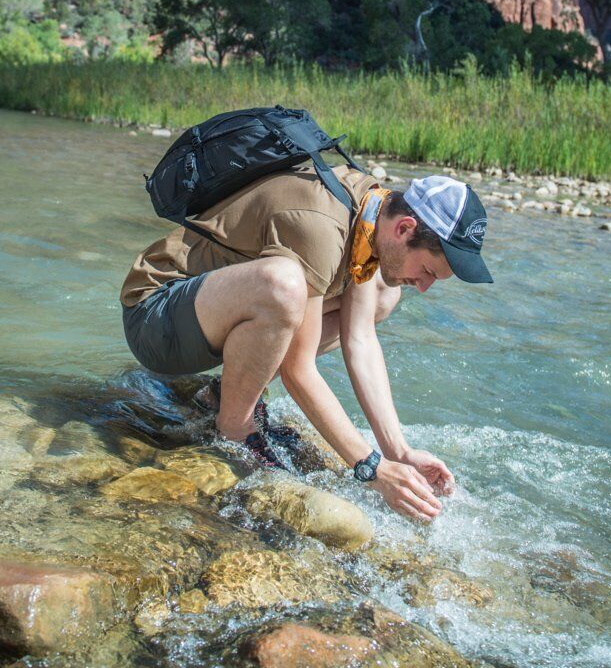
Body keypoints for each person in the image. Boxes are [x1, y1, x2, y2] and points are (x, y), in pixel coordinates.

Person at [120, 164, 493, 522]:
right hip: (156, 317)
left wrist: (399, 452)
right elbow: (298, 371)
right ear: (405, 228)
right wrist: (371, 467)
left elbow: (359, 338)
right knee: (283, 285)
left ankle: (224, 396)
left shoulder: (372, 213)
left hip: (210, 315)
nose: (425, 286)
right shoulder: (322, 226)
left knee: (382, 295)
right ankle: (234, 428)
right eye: (427, 271)